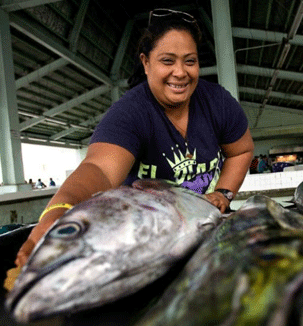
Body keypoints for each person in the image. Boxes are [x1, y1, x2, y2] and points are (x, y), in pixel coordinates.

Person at [15, 8, 254, 267]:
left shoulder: (217, 102)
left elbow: (240, 151)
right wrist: (57, 214)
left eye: (190, 61)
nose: (180, 72)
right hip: (147, 239)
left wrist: (224, 193)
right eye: (167, 60)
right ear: (146, 62)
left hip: (208, 229)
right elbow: (99, 169)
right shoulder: (131, 112)